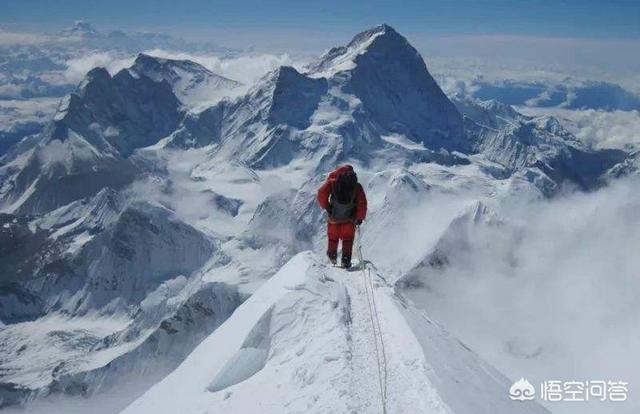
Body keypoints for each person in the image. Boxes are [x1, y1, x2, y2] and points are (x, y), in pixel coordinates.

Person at [317, 165, 367, 269]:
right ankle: (346, 261)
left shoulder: (332, 182)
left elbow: (321, 194)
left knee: (333, 238)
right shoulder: (357, 186)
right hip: (349, 220)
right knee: (348, 239)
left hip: (334, 218)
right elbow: (362, 203)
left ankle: (332, 257)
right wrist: (359, 218)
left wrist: (327, 207)